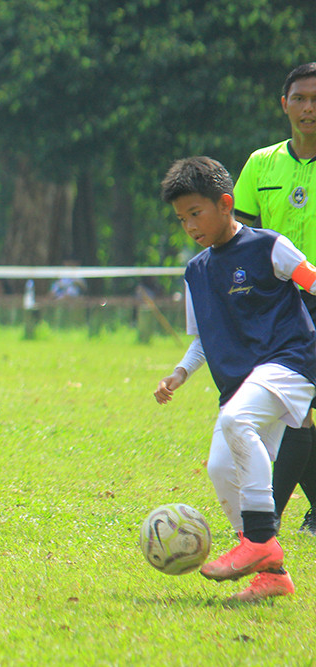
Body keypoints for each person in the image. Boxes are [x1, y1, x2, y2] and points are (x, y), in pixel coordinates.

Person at [155, 156, 316, 603]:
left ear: (226, 204)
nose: (189, 225)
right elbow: (204, 339)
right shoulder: (197, 271)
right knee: (222, 468)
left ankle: (259, 539)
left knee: (236, 422)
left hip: (290, 364)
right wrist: (179, 373)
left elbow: (311, 280)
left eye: (196, 213)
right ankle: (273, 572)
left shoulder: (269, 247)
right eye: (181, 218)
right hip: (241, 384)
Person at [233, 62, 316, 535]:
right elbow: (238, 239)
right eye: (300, 98)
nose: (309, 108)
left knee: (297, 412)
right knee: (294, 411)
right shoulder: (261, 163)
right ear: (285, 104)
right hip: (280, 307)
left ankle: (260, 525)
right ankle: (266, 524)